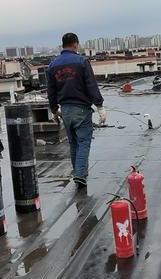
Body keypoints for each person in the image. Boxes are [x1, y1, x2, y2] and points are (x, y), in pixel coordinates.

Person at [47, 32, 105, 189]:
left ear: (62, 45)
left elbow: (51, 91)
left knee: (73, 143)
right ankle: (80, 175)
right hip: (81, 109)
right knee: (84, 142)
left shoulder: (53, 65)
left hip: (65, 110)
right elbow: (91, 85)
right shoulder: (81, 62)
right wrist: (99, 106)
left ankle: (78, 173)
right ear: (75, 44)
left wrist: (54, 110)